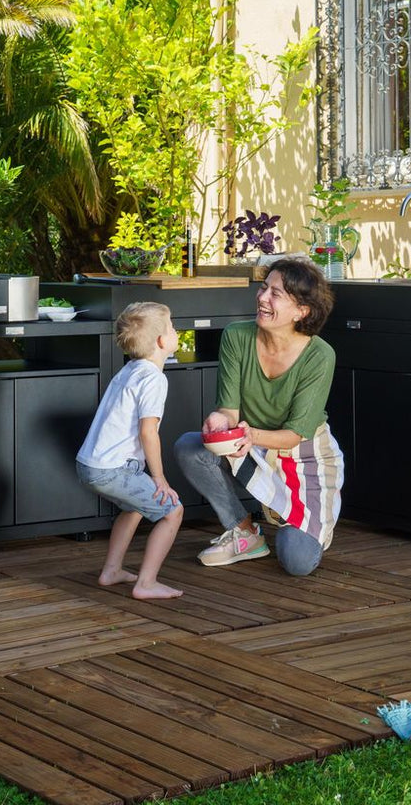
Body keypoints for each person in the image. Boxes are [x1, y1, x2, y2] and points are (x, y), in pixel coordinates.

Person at [173, 256, 343, 576]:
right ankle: (244, 532)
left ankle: (304, 520)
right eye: (263, 288)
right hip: (251, 443)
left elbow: (294, 434)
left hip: (302, 455)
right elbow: (229, 410)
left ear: (301, 311)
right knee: (189, 447)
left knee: (297, 562)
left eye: (275, 294)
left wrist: (250, 436)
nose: (262, 297)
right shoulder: (237, 336)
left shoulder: (320, 355)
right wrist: (220, 421)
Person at [75, 301, 184, 600]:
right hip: (112, 470)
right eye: (172, 327)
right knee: (173, 511)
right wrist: (159, 478)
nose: (176, 331)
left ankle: (112, 571)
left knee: (134, 506)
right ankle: (146, 583)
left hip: (89, 464)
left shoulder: (129, 370)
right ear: (161, 341)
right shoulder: (154, 379)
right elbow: (148, 432)